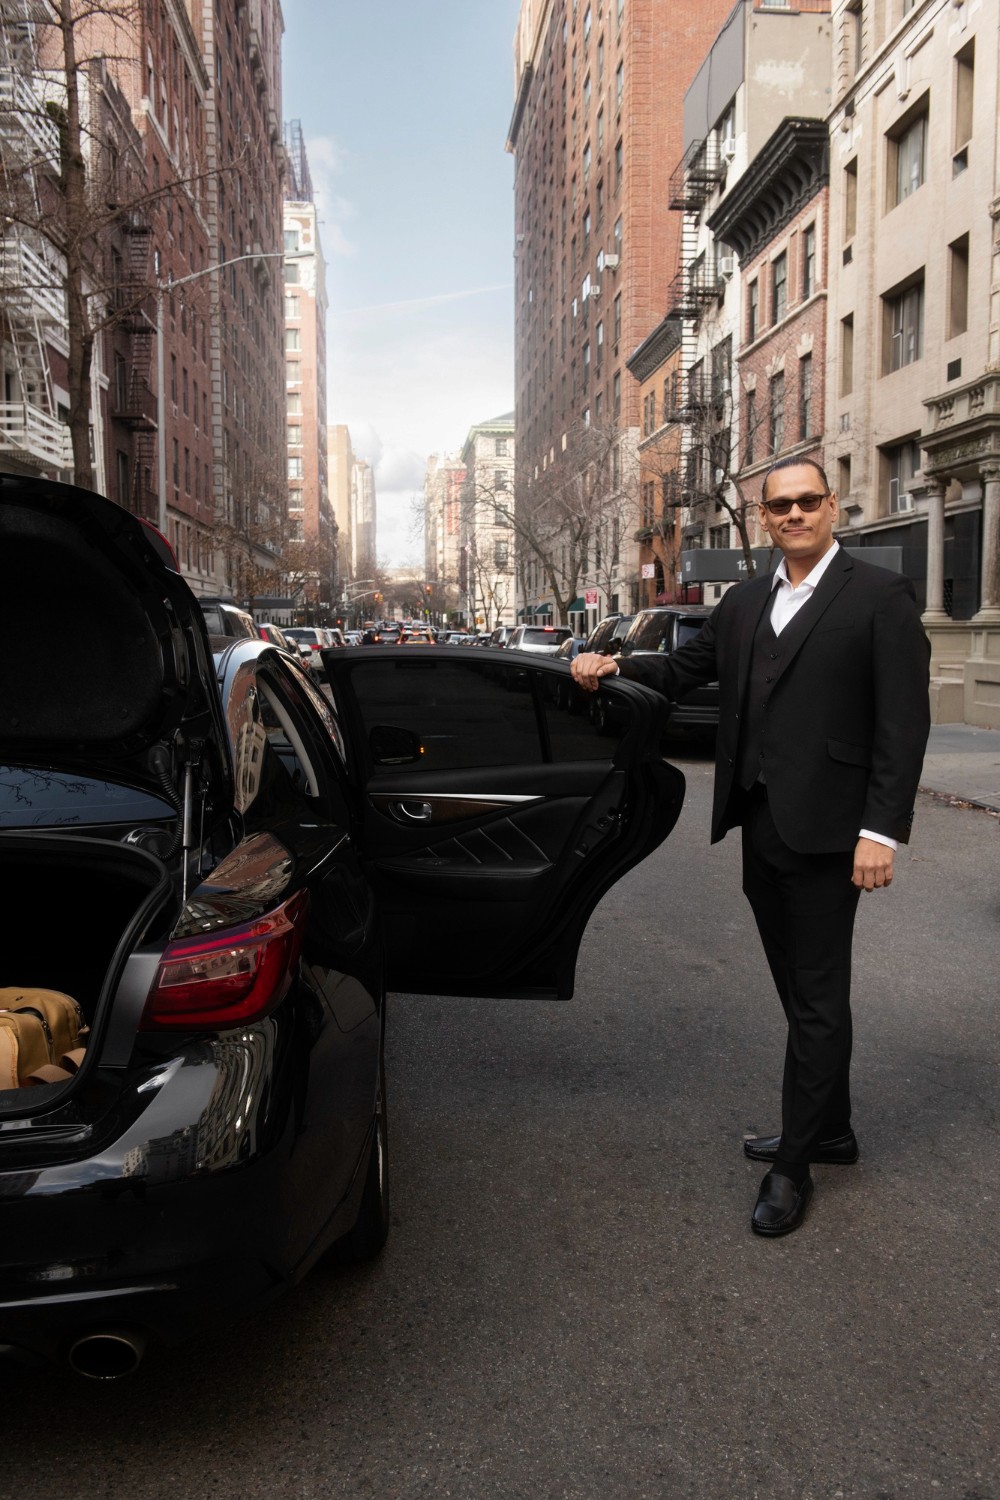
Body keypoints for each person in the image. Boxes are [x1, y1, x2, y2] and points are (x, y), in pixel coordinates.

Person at [572, 458, 931, 1237]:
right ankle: (828, 1126)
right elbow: (681, 669)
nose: (795, 514)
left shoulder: (877, 595)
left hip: (835, 833)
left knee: (819, 996)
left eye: (808, 502)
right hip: (759, 822)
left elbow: (904, 721)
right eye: (781, 506)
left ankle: (795, 1164)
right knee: (801, 994)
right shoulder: (743, 601)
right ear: (764, 518)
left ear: (831, 506)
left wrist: (881, 831)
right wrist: (613, 665)